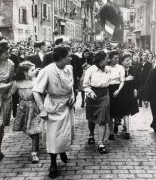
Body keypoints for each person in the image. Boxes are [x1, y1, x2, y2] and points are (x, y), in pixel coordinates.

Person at [33, 45, 75, 178]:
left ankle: (62, 150)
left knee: (67, 132)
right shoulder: (47, 70)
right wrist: (42, 109)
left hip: (67, 105)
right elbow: (36, 91)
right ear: (62, 57)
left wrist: (72, 96)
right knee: (53, 136)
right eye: (69, 55)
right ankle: (53, 164)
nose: (71, 57)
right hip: (53, 106)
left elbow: (71, 86)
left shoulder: (69, 68)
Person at [12, 61, 42, 163]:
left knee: (35, 130)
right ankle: (36, 144)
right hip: (23, 108)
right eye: (32, 70)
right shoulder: (17, 83)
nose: (35, 71)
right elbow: (11, 94)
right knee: (28, 129)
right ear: (25, 72)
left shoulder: (36, 81)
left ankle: (34, 153)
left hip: (34, 108)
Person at [83, 51, 111, 154]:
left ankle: (100, 143)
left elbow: (111, 81)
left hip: (104, 94)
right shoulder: (90, 70)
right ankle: (91, 134)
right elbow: (85, 84)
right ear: (100, 59)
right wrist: (90, 93)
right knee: (91, 117)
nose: (108, 60)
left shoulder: (108, 70)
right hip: (93, 94)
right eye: (106, 58)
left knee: (102, 118)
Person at [0, 41, 15, 161]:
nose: (8, 55)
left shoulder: (10, 64)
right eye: (6, 53)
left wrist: (6, 90)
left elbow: (11, 81)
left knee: (1, 125)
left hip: (4, 97)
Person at [120, 53, 140, 139]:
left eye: (130, 60)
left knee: (127, 111)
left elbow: (138, 80)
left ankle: (126, 128)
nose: (129, 62)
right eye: (126, 60)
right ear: (122, 62)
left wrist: (136, 89)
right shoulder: (119, 69)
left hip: (130, 93)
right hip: (121, 92)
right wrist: (125, 80)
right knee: (124, 110)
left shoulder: (134, 69)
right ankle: (127, 130)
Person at [108, 50, 125, 140]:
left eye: (118, 58)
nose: (117, 60)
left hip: (117, 88)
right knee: (110, 111)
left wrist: (118, 90)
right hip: (108, 89)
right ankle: (111, 132)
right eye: (115, 58)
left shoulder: (120, 68)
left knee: (117, 111)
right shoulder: (106, 67)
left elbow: (122, 80)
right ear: (110, 58)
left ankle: (116, 123)